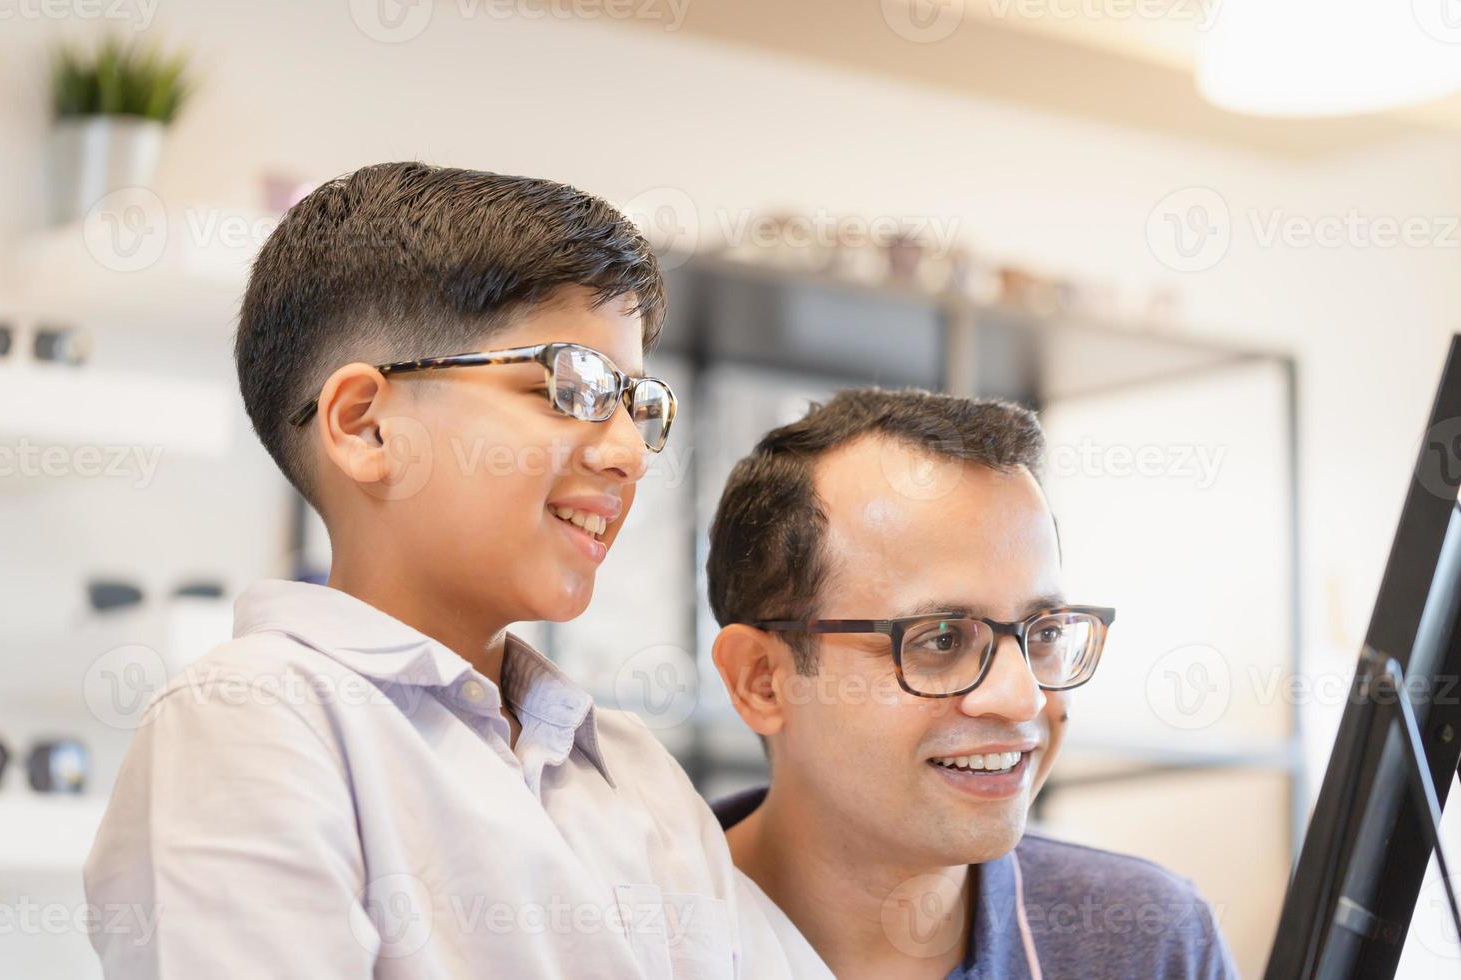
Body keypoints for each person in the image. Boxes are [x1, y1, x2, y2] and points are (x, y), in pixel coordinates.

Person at [83, 162, 827, 978]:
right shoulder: (253, 717)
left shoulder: (630, 764)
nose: (627, 454)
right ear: (366, 427)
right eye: (570, 387)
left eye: (635, 405)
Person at [706, 388, 1239, 979]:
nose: (1023, 697)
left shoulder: (1153, 944)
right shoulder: (623, 940)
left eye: (1043, 634)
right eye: (940, 639)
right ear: (762, 681)